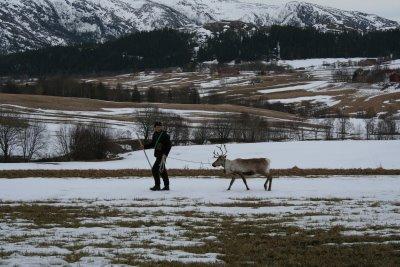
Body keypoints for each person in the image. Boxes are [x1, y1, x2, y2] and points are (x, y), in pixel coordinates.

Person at [141, 122, 172, 191]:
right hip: (158, 155)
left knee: (155, 169)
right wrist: (145, 146)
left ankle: (157, 186)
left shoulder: (165, 135)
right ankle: (166, 186)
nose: (159, 128)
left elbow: (169, 146)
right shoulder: (155, 134)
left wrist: (165, 155)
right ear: (154, 128)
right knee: (162, 170)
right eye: (157, 127)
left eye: (160, 126)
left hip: (162, 156)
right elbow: (153, 144)